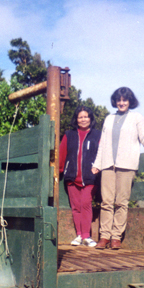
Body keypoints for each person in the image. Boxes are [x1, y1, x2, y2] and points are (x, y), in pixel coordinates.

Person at [91, 87, 144, 249]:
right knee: (106, 202)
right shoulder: (109, 118)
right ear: (115, 102)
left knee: (121, 202)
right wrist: (97, 164)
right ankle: (104, 237)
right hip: (108, 165)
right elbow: (103, 144)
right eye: (119, 100)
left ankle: (116, 237)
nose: (121, 103)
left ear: (130, 101)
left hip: (126, 165)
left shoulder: (136, 117)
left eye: (125, 100)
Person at [59, 106, 101, 247]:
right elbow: (62, 153)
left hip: (90, 177)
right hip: (71, 177)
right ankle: (78, 235)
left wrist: (99, 167)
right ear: (76, 119)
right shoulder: (69, 135)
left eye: (86, 116)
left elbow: (102, 154)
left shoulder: (97, 135)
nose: (83, 119)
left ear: (90, 119)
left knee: (86, 204)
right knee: (76, 207)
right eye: (80, 117)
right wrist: (58, 171)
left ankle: (86, 236)